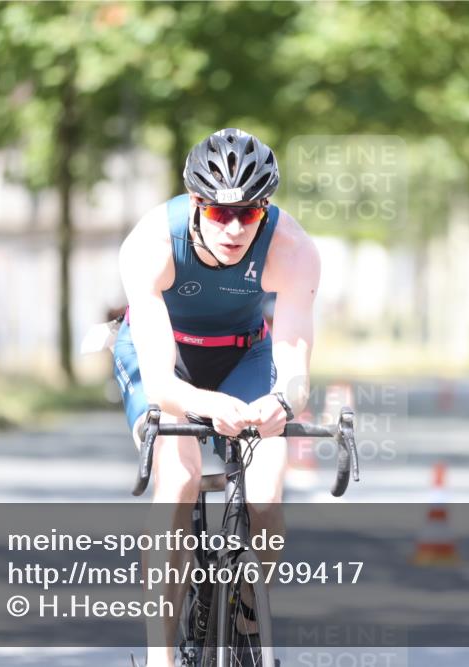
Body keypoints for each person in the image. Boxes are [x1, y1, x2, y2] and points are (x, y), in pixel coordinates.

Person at [113, 128, 320, 666]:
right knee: (179, 480)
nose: (232, 227)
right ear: (195, 203)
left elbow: (295, 367)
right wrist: (206, 406)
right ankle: (160, 655)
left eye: (249, 214)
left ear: (266, 209)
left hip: (245, 354)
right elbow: (163, 382)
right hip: (167, 357)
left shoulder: (293, 249)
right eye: (218, 212)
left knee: (266, 492)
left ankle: (251, 609)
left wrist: (283, 403)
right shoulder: (151, 244)